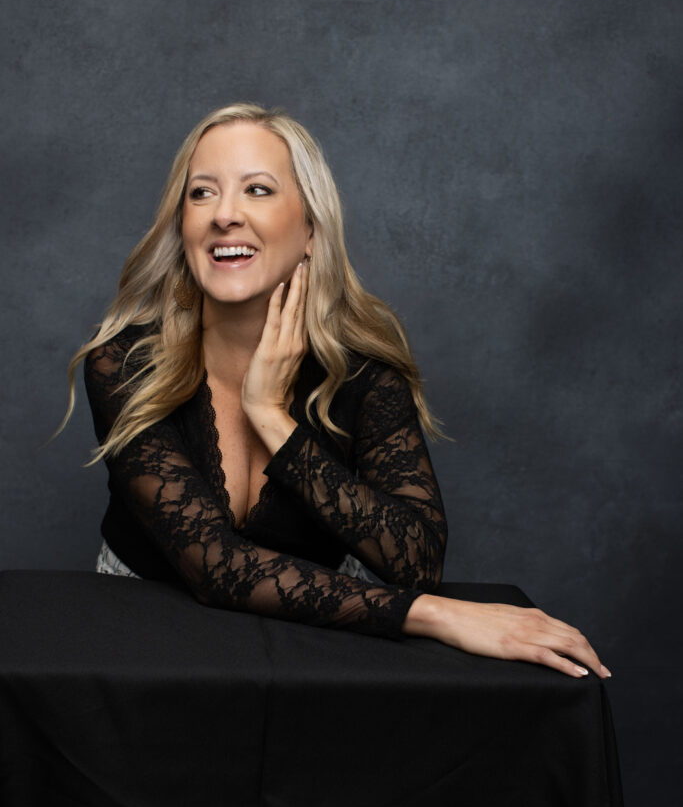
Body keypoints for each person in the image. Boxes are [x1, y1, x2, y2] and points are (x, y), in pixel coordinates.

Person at [61, 102, 610, 682]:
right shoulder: (125, 364)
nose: (224, 215)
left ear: (310, 231)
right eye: (201, 194)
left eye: (258, 190)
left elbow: (416, 559)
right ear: (182, 226)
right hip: (142, 655)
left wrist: (272, 418)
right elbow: (213, 564)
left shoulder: (367, 374)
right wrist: (434, 617)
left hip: (307, 659)